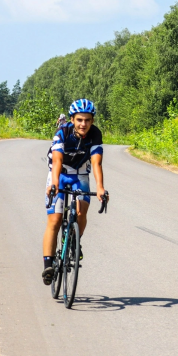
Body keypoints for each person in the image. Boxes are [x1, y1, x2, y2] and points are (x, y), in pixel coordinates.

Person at [41, 100, 108, 284]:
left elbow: (96, 162)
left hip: (80, 175)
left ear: (92, 121)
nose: (83, 124)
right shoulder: (62, 133)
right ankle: (48, 263)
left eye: (87, 120)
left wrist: (100, 187)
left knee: (81, 211)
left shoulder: (95, 134)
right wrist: (54, 184)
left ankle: (73, 241)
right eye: (79, 120)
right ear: (72, 119)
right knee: (54, 220)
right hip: (60, 173)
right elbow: (57, 161)